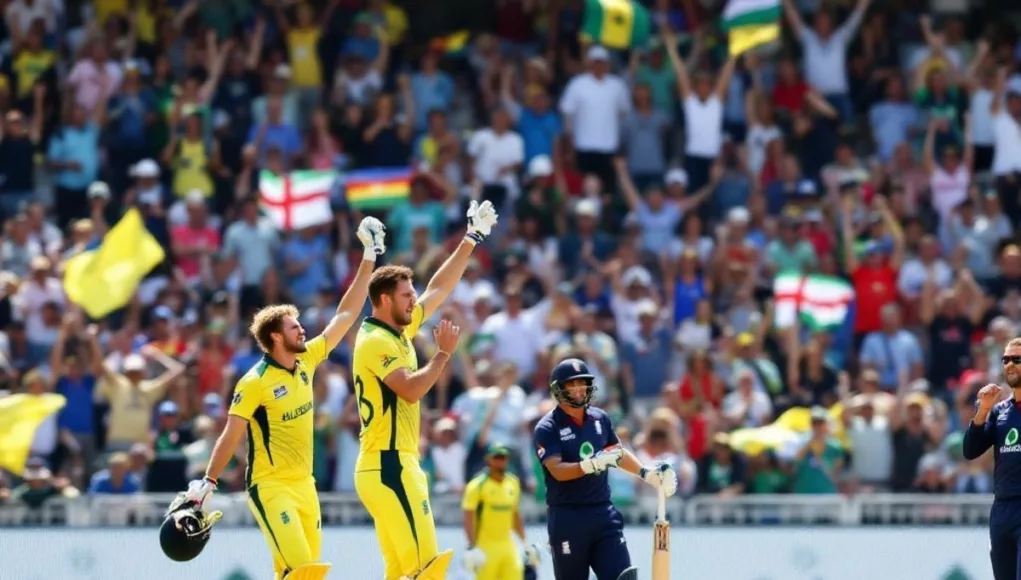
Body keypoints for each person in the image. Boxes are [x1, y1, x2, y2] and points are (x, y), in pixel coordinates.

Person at [175, 216, 387, 580]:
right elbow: (232, 432)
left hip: (306, 485)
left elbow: (346, 314)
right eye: (294, 326)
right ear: (275, 337)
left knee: (296, 574)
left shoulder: (307, 359)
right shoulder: (253, 381)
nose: (303, 329)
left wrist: (369, 256)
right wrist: (208, 482)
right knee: (306, 570)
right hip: (270, 488)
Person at [352, 200, 498, 580]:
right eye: (405, 296)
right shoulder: (376, 342)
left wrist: (471, 238)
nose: (413, 300)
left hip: (389, 464)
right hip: (389, 464)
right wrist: (443, 356)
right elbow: (410, 390)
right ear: (384, 300)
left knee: (402, 571)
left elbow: (439, 289)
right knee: (427, 569)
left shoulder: (394, 330)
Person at [533, 358, 680, 580]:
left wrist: (646, 473)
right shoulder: (548, 427)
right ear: (558, 389)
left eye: (582, 383)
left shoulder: (599, 418)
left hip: (603, 513)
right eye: (571, 384)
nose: (578, 389)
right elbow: (557, 470)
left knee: (623, 577)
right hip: (568, 517)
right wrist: (589, 465)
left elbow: (617, 453)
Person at [963, 336, 1021, 580]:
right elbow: (970, 450)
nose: (1010, 364)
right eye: (1005, 359)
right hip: (1002, 508)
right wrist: (983, 411)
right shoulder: (1000, 411)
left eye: (1017, 359)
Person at [461, 444, 541, 580]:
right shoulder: (476, 486)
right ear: (488, 460)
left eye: (503, 458)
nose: (500, 461)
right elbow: (469, 518)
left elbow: (515, 515)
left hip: (507, 546)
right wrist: (471, 546)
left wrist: (525, 543)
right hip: (485, 547)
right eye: (497, 457)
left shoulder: (513, 482)